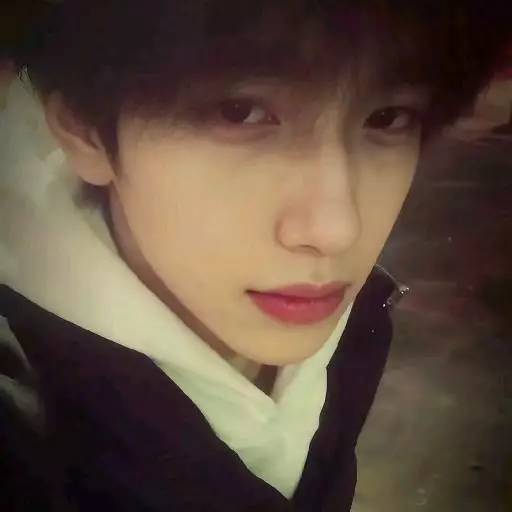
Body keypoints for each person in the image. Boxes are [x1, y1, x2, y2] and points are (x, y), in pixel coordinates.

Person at [0, 1, 508, 510]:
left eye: (388, 118)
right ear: (85, 129)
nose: (337, 230)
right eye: (239, 113)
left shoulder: (351, 317)